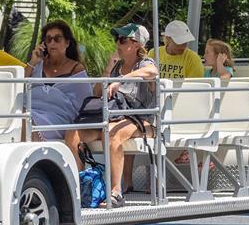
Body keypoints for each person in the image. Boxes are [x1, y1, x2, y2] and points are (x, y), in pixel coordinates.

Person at [67, 24, 161, 205]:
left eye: (122, 39)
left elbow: (153, 72)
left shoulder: (145, 63)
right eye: (116, 39)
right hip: (113, 116)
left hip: (143, 120)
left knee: (111, 133)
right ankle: (80, 185)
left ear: (136, 44)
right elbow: (96, 94)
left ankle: (116, 192)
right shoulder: (117, 66)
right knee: (73, 134)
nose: (117, 43)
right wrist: (108, 71)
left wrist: (121, 80)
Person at [25, 20, 91, 137]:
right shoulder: (37, 65)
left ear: (67, 42)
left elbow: (85, 102)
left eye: (57, 38)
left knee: (25, 122)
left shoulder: (76, 69)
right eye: (48, 39)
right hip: (32, 112)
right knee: (18, 119)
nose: (52, 43)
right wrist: (32, 62)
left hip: (59, 119)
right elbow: (18, 86)